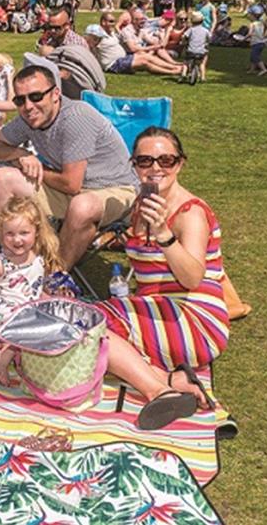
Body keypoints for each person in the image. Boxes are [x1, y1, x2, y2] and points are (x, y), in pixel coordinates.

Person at [97, 127, 227, 427]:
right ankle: (173, 378)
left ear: (179, 164)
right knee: (82, 327)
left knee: (89, 325)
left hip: (195, 320)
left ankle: (159, 391)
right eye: (144, 161)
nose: (155, 168)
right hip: (160, 311)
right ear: (134, 166)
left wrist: (164, 235)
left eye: (165, 160)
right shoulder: (143, 205)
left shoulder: (190, 213)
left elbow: (193, 278)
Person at [0, 63, 137, 268]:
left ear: (55, 94)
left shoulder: (75, 118)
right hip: (73, 191)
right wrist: (21, 155)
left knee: (82, 206)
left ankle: (55, 274)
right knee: (3, 178)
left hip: (115, 190)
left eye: (36, 96)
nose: (28, 106)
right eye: (20, 100)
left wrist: (27, 165)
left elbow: (71, 183)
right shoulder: (30, 118)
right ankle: (13, 263)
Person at [0, 196, 66, 384]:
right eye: (10, 234)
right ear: (1, 234)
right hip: (4, 315)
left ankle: (22, 353)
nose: (17, 240)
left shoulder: (40, 256)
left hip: (27, 309)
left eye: (24, 233)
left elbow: (42, 285)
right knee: (33, 328)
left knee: (58, 317)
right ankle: (2, 362)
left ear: (36, 231)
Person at [35, 8, 106, 97]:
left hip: (79, 88)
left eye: (57, 28)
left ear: (67, 26)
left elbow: (78, 74)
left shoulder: (76, 44)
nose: (52, 31)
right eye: (50, 27)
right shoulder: (52, 39)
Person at [244, 5, 267, 76]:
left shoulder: (252, 24)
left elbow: (250, 34)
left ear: (253, 15)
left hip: (256, 43)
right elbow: (265, 29)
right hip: (261, 42)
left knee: (255, 56)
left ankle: (263, 69)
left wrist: (244, 38)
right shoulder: (261, 23)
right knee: (253, 57)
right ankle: (252, 69)